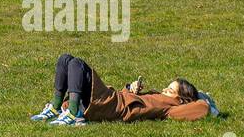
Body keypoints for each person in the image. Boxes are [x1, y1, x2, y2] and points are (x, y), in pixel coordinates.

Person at [30, 53, 215, 126]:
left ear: (181, 99)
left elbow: (202, 108)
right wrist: (131, 88)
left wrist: (202, 97)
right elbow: (133, 99)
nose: (164, 90)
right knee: (66, 59)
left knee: (77, 64)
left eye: (169, 90)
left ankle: (73, 114)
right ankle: (54, 108)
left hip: (111, 105)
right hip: (112, 99)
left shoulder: (171, 108)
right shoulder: (159, 97)